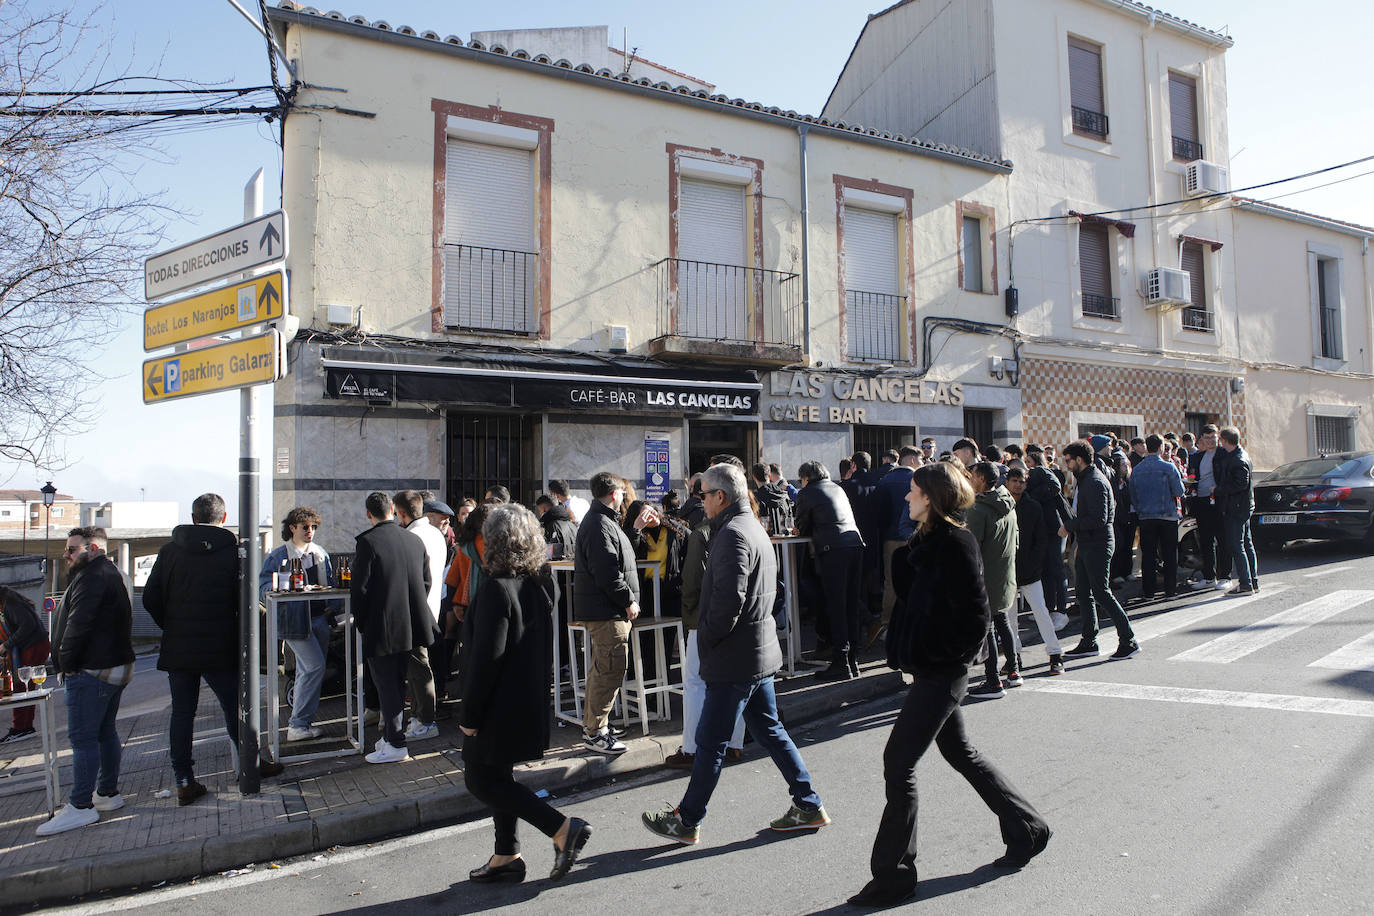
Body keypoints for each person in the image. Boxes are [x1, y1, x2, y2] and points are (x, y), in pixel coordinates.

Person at [850, 462, 1050, 907]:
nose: (907, 497)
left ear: (932, 497)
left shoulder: (957, 542)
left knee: (898, 762)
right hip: (930, 668)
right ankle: (1027, 829)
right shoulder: (924, 543)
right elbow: (914, 599)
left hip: (943, 671)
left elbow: (977, 616)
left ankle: (894, 875)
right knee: (961, 752)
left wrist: (947, 658)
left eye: (914, 491)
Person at [642, 463, 830, 845]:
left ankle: (688, 820)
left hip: (735, 657)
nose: (702, 501)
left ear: (720, 497)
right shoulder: (752, 528)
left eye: (704, 494)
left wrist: (707, 640)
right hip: (756, 654)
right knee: (770, 732)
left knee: (711, 743)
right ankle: (808, 804)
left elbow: (728, 602)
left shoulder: (730, 534)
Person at [460, 504, 592, 883]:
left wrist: (469, 718)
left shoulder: (496, 591)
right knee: (499, 777)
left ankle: (563, 829)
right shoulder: (538, 586)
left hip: (495, 710)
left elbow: (486, 661)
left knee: (481, 780)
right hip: (526, 702)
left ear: (495, 542)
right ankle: (506, 855)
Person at [145, 495, 285, 806]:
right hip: (220, 645)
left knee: (182, 713)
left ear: (193, 518)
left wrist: (171, 625)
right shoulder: (234, 553)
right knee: (236, 707)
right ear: (223, 519)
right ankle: (251, 765)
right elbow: (246, 603)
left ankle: (184, 780)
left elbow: (150, 598)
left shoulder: (169, 551)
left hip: (179, 647)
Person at [37, 526, 135, 835]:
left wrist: (65, 664)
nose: (66, 556)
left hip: (91, 669)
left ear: (92, 548)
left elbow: (77, 626)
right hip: (113, 666)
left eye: (71, 549)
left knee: (82, 738)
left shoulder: (91, 577)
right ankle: (106, 793)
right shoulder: (111, 573)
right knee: (104, 732)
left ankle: (80, 806)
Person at [351, 491, 433, 764]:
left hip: (382, 627)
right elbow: (426, 582)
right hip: (411, 625)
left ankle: (396, 743)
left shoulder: (367, 542)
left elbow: (360, 591)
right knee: (397, 683)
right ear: (392, 511)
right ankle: (391, 739)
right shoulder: (413, 540)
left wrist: (363, 622)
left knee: (388, 686)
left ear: (368, 514)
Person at [573, 471, 643, 755]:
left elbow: (618, 560)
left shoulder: (604, 522)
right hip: (607, 612)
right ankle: (595, 732)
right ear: (614, 494)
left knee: (603, 670)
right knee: (609, 671)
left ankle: (595, 726)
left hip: (606, 610)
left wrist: (635, 529)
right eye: (622, 493)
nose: (625, 497)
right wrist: (628, 600)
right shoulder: (599, 524)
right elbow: (607, 572)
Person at [258, 506, 338, 743]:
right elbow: (263, 589)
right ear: (292, 528)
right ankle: (298, 724)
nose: (310, 531)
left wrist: (331, 607)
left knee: (310, 669)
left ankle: (302, 724)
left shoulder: (320, 553)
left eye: (313, 527)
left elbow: (332, 583)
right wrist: (280, 588)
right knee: (314, 667)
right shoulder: (278, 556)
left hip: (319, 618)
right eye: (305, 527)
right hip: (294, 620)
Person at [1060, 442, 1139, 661]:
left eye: (1068, 460)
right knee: (1084, 593)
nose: (1067, 465)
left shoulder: (1094, 481)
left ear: (1079, 459)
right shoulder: (1086, 479)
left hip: (1098, 544)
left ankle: (1128, 640)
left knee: (1101, 592)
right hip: (1089, 544)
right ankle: (1089, 641)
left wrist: (1069, 526)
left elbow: (1098, 519)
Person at [794, 459, 865, 680]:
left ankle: (840, 662)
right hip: (854, 544)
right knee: (850, 604)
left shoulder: (807, 492)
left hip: (832, 550)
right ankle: (853, 660)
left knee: (836, 605)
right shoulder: (837, 487)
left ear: (806, 478)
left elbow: (802, 525)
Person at [965, 462, 1021, 698]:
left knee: (987, 628)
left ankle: (993, 680)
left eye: (972, 476)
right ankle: (1014, 670)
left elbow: (971, 547)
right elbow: (1016, 539)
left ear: (981, 479)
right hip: (1005, 573)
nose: (969, 479)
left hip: (986, 575)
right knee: (1002, 621)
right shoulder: (1007, 502)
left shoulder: (978, 510)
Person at [395, 490, 445, 742]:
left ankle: (425, 720)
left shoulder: (410, 536)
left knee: (418, 667)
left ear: (401, 513)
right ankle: (419, 717)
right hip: (431, 606)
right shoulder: (435, 533)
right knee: (418, 665)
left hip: (415, 608)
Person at [1004, 468, 1064, 674]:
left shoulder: (1033, 507)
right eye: (1014, 481)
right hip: (1008, 571)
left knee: (1041, 612)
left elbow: (1041, 540)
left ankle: (1055, 654)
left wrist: (1035, 564)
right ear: (1007, 482)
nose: (1018, 484)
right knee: (1010, 618)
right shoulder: (1002, 506)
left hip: (1030, 570)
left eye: (1022, 481)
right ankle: (1014, 657)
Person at [1129, 435, 1185, 600]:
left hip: (1146, 516)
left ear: (1147, 447)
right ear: (1161, 447)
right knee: (1169, 554)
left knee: (1148, 555)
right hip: (1167, 515)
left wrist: (1141, 510)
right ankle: (1170, 591)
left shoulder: (1137, 470)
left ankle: (1149, 592)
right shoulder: (1168, 468)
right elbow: (1179, 491)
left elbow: (1132, 495)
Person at [875, 446, 920, 638]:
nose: (922, 463)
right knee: (915, 580)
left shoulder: (885, 481)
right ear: (911, 460)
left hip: (890, 538)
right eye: (919, 460)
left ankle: (888, 623)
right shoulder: (919, 479)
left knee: (891, 581)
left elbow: (879, 512)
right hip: (915, 537)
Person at [1025, 447, 1072, 630]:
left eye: (1028, 462)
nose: (1026, 466)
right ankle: (1050, 609)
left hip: (1054, 530)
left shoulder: (1040, 475)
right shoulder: (1041, 479)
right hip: (1049, 530)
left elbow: (1055, 490)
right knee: (1047, 570)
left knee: (1056, 569)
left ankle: (1060, 611)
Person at [1, 584, 51, 744]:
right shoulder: (12, 601)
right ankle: (25, 727)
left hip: (33, 647)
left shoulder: (10, 604)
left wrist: (6, 645)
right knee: (26, 687)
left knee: (21, 687)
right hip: (35, 645)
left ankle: (21, 728)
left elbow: (27, 626)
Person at [1187, 425, 1233, 591]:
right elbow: (1192, 475)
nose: (1211, 441)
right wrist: (1191, 484)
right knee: (1205, 541)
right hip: (1201, 501)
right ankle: (1208, 577)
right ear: (1202, 440)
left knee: (1222, 540)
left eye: (1213, 437)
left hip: (1219, 500)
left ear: (1218, 438)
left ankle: (1225, 576)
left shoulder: (1224, 454)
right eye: (1207, 438)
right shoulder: (1197, 457)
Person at [1214, 426, 1259, 596]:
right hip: (1242, 506)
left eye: (1221, 440)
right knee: (1246, 544)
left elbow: (1240, 484)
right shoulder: (1241, 456)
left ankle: (1246, 584)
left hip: (1236, 508)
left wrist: (1218, 489)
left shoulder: (1238, 460)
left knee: (1236, 545)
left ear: (1225, 440)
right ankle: (1252, 581)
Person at [751, 462, 795, 536]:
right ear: (769, 475)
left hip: (765, 541)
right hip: (785, 542)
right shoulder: (784, 495)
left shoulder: (754, 499)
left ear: (754, 477)